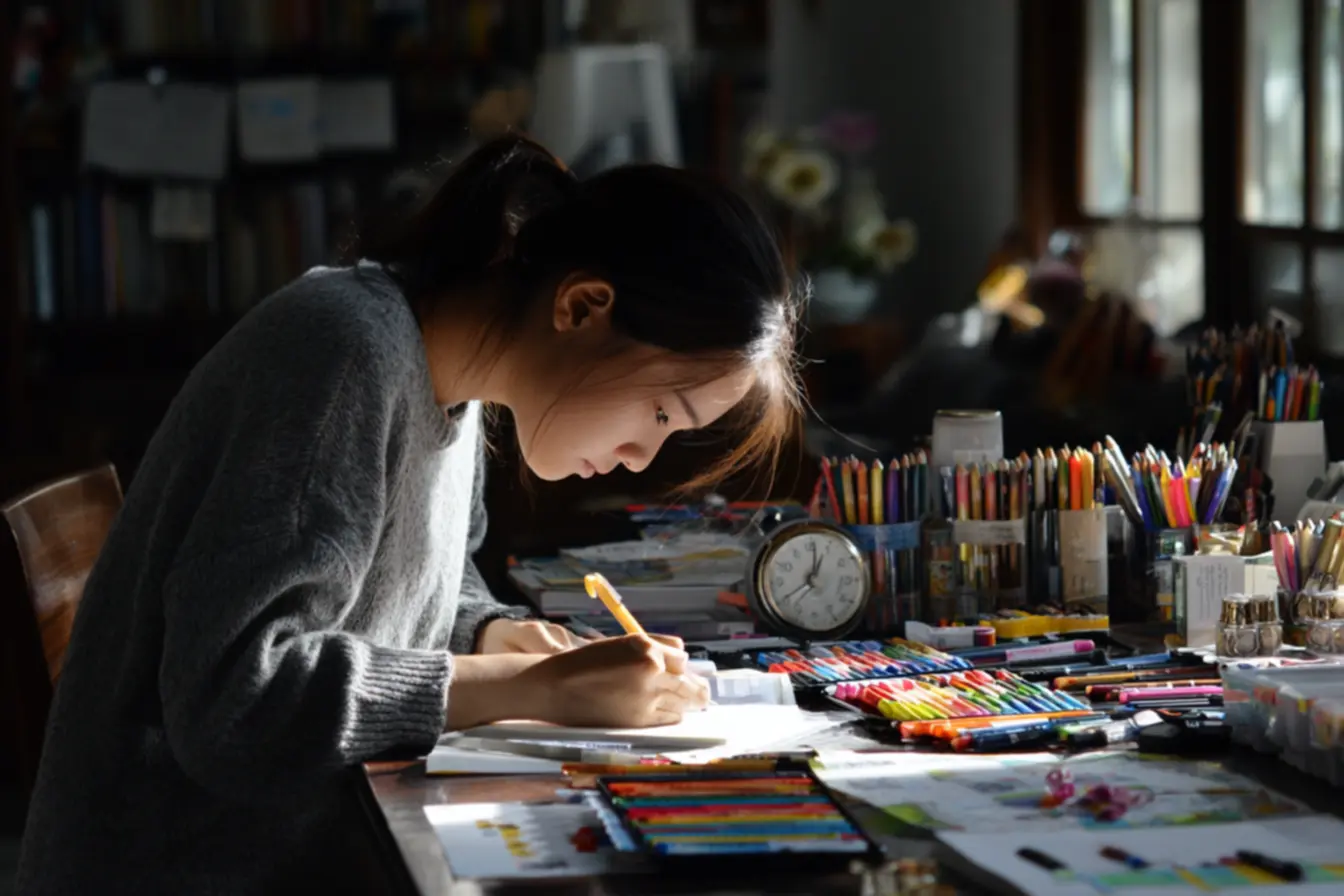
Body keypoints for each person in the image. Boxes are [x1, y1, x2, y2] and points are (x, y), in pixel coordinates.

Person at [17, 133, 803, 894]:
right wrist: (530, 689)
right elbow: (235, 702)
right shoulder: (343, 354)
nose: (643, 457)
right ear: (582, 305)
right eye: (663, 412)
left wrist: (491, 633)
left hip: (305, 848)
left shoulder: (455, 384)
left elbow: (414, 585)